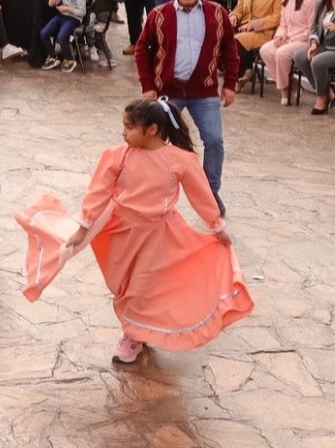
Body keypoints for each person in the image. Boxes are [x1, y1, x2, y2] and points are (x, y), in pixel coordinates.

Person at [18, 98, 252, 364]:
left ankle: (132, 336)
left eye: (129, 127)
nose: (123, 133)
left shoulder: (181, 160)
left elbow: (201, 195)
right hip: (119, 230)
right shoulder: (119, 155)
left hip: (158, 235)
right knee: (122, 285)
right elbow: (99, 191)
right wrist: (84, 226)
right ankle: (138, 329)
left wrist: (216, 226)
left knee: (140, 288)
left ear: (152, 129)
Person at [133, 0, 240, 209]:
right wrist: (148, 86)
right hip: (167, 92)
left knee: (214, 140)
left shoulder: (217, 13)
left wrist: (230, 84)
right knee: (156, 140)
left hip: (204, 90)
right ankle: (153, 192)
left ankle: (210, 192)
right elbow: (142, 50)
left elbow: (230, 51)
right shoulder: (158, 15)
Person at [258, 0, 316, 105]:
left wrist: (291, 39)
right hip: (288, 39)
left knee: (281, 54)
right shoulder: (286, 0)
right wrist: (280, 36)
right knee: (265, 50)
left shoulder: (311, 0)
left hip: (304, 41)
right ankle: (291, 85)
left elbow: (312, 28)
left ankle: (284, 91)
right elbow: (283, 24)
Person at [231, 0, 282, 85]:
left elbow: (277, 18)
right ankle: (246, 70)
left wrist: (254, 24)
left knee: (237, 40)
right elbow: (240, 8)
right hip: (244, 26)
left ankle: (240, 76)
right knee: (221, 35)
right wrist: (234, 16)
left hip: (264, 31)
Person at [38, 0, 87, 71]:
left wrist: (68, 9)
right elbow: (51, 3)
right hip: (62, 16)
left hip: (74, 18)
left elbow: (82, 12)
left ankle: (69, 59)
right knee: (44, 33)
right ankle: (52, 56)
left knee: (62, 36)